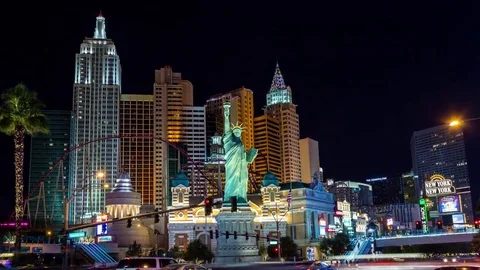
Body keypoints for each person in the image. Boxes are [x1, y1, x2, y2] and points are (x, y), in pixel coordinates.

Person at [222, 101, 258, 203]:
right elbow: (227, 129)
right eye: (235, 131)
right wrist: (226, 113)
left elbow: (245, 159)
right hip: (232, 166)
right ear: (233, 133)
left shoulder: (241, 145)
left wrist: (250, 157)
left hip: (242, 168)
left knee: (242, 182)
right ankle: (230, 199)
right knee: (231, 181)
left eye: (239, 131)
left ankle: (241, 198)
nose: (237, 132)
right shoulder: (229, 141)